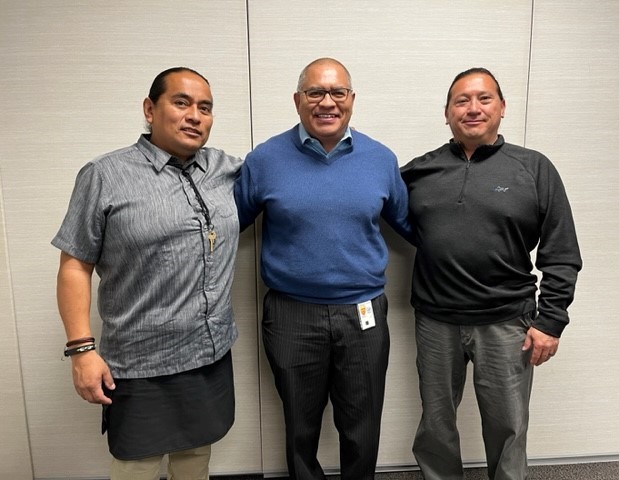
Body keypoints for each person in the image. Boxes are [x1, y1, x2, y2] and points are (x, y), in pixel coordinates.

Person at [52, 67, 242, 480]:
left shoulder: (225, 170)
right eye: (181, 102)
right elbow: (75, 265)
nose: (195, 115)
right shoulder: (105, 175)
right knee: (135, 466)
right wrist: (81, 350)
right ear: (150, 109)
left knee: (195, 459)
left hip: (208, 355)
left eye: (205, 108)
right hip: (140, 363)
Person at [234, 57, 413, 479]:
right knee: (300, 424)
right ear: (298, 100)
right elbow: (228, 224)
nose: (327, 102)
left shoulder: (381, 159)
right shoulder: (264, 160)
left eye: (338, 93)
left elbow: (412, 226)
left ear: (351, 100)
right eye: (315, 93)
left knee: (362, 425)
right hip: (291, 313)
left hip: (363, 313)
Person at [401, 67, 582, 480]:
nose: (472, 108)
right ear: (446, 113)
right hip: (436, 321)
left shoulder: (534, 168)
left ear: (502, 108)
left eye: (484, 99)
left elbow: (562, 250)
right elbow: (385, 214)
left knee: (507, 426)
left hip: (507, 323)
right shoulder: (418, 172)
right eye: (461, 100)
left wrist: (551, 320)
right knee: (436, 423)